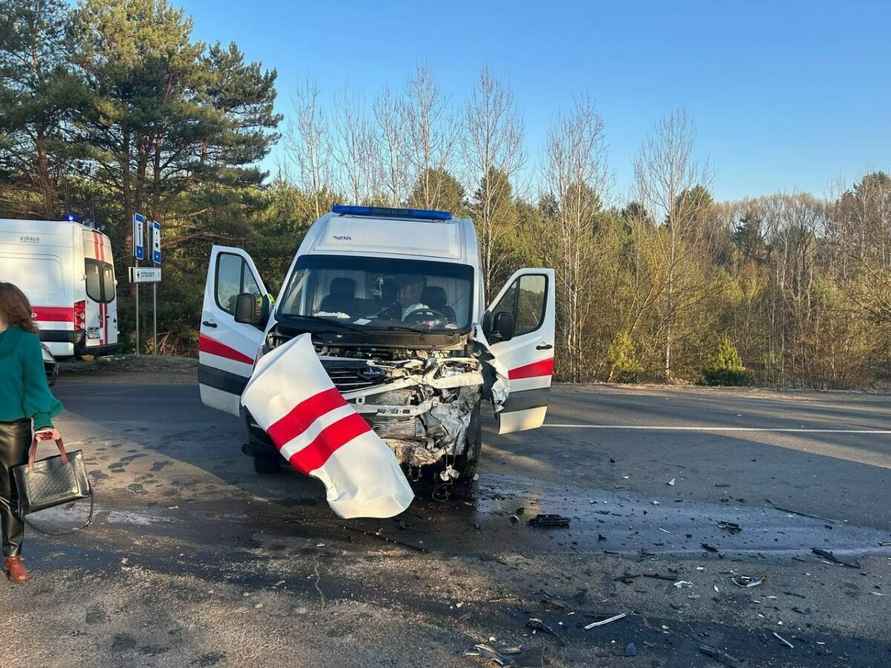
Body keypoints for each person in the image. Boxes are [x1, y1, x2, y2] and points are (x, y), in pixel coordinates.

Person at [0, 282, 63, 583]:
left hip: (11, 428)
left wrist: (44, 420)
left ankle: (13, 557)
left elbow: (35, 385)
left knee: (10, 495)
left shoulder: (24, 341)